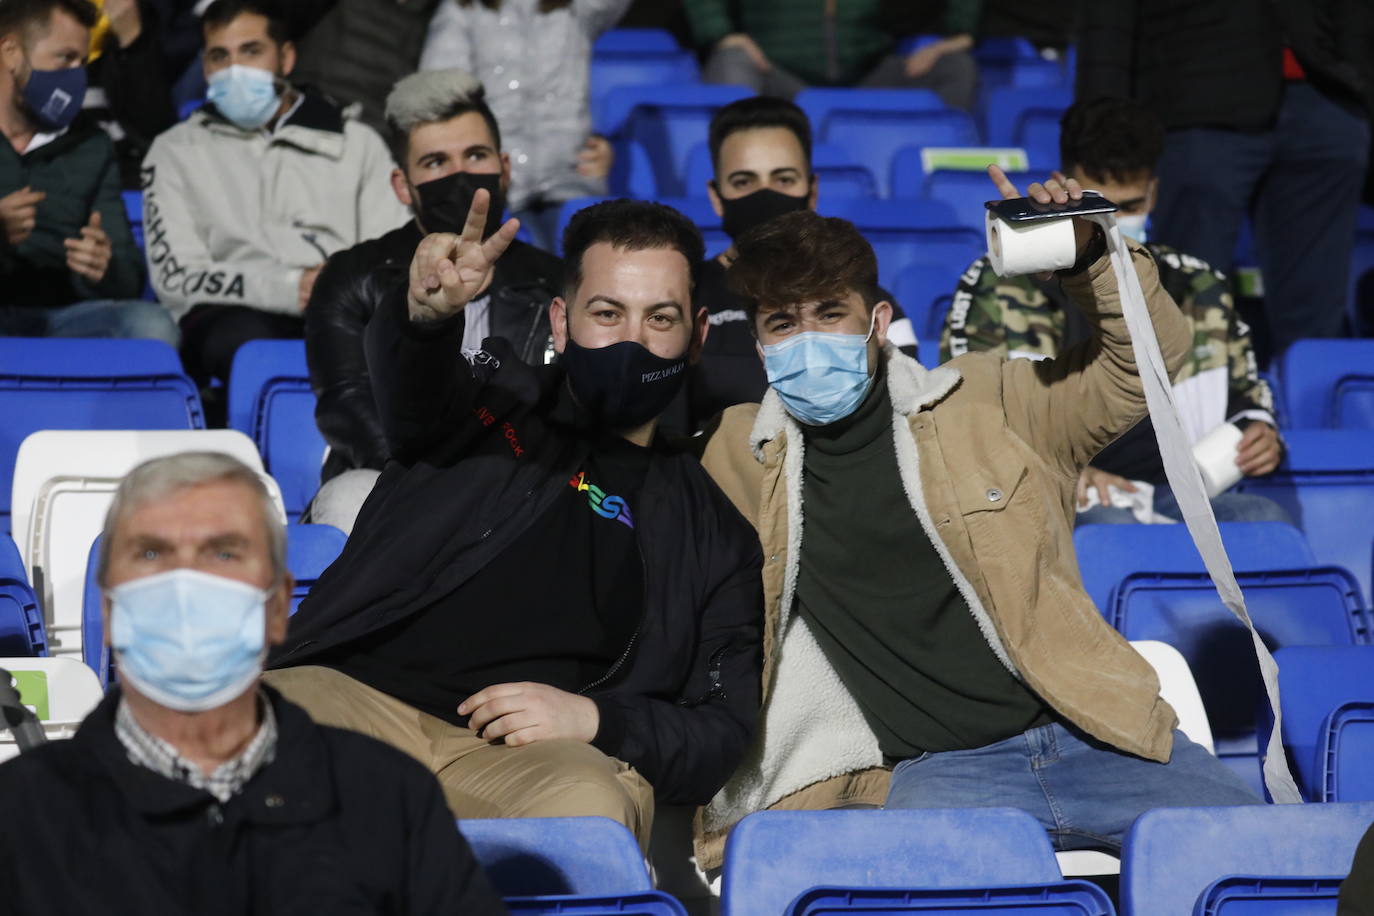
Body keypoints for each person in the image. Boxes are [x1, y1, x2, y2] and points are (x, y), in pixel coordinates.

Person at [694, 169, 1259, 869]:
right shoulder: (738, 451)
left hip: (1099, 735)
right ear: (759, 346)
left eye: (829, 313)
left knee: (1271, 860)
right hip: (940, 772)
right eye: (783, 323)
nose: (807, 339)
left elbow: (1145, 363)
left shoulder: (988, 399)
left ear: (876, 323)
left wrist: (1087, 253)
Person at [266, 195, 763, 848]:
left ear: (696, 336)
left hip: (521, 756)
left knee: (590, 815)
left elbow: (719, 728)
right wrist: (423, 319)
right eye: (607, 313)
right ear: (561, 322)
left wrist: (596, 719)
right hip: (356, 698)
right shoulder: (489, 398)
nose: (633, 340)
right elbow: (412, 394)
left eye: (660, 317)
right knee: (252, 745)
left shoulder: (714, 535)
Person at [0, 452, 506, 914]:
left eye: (223, 555)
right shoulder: (20, 817)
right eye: (152, 554)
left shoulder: (391, 801)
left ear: (277, 606)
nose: (187, 587)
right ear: (108, 605)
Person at [941, 98, 1289, 526]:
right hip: (1060, 490)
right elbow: (967, 411)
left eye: (1129, 206)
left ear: (1154, 193)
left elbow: (1247, 391)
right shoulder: (998, 283)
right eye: (1098, 205)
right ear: (1061, 185)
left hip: (1183, 490)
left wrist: (1259, 428)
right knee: (1109, 524)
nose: (1113, 223)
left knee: (1264, 519)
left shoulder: (1198, 284)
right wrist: (1061, 468)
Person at [306, 68, 562, 534]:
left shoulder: (557, 281)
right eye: (435, 163)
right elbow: (347, 406)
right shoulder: (350, 277)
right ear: (403, 186)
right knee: (349, 497)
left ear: (504, 167)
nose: (459, 175)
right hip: (391, 486)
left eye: (476, 155)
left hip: (519, 487)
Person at [141, 0, 408, 389]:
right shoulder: (172, 151)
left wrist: (336, 287)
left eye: (250, 51)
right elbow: (174, 278)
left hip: (343, 306)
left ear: (286, 58)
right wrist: (288, 287)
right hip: (232, 314)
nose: (235, 70)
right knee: (248, 344)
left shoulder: (357, 143)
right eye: (220, 56)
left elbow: (390, 253)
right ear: (205, 66)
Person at [1078, 0, 1371, 353]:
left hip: (1325, 95)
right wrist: (1101, 117)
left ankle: (1297, 408)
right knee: (1187, 309)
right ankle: (1182, 407)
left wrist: (1358, 90)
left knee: (1315, 322)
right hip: (1197, 94)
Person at [673, 95, 917, 435]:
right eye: (744, 182)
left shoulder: (867, 298)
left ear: (812, 190)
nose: (765, 194)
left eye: (784, 179)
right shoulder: (684, 296)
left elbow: (906, 414)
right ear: (716, 197)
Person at [0, 0, 176, 343]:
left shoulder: (90, 145)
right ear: (10, 52)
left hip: (61, 317)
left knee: (152, 327)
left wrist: (103, 267)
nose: (76, 76)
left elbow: (127, 274)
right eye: (64, 58)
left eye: (82, 62)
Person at [419, 0, 626, 251]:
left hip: (572, 179)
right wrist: (470, 164)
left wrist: (604, 148)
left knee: (591, 264)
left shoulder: (576, 8)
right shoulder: (463, 9)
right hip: (496, 185)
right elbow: (440, 100)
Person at [684, 0, 979, 111]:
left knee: (954, 66)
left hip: (869, 74)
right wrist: (720, 33)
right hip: (779, 75)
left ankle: (939, 182)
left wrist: (960, 34)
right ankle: (737, 177)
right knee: (732, 58)